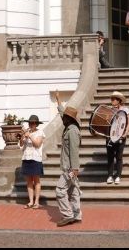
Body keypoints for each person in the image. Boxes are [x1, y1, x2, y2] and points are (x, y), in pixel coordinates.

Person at [54, 90, 82, 227]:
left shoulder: (72, 131)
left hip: (69, 168)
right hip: (70, 167)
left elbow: (74, 151)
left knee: (60, 190)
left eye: (64, 117)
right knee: (73, 191)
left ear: (69, 119)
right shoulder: (69, 126)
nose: (62, 118)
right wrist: (58, 100)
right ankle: (76, 215)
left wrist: (74, 168)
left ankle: (67, 215)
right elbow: (61, 113)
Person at [105, 91, 129, 185]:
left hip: (121, 136)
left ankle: (118, 176)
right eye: (111, 99)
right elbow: (106, 123)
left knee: (119, 157)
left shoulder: (126, 110)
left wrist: (125, 133)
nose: (112, 100)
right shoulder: (110, 110)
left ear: (119, 100)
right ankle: (109, 176)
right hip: (110, 137)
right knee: (110, 157)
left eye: (114, 99)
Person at [19, 114, 45, 208]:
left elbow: (37, 144)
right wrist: (22, 137)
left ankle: (36, 202)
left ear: (36, 124)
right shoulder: (27, 132)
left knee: (36, 181)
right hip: (26, 158)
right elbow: (21, 145)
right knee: (29, 181)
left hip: (36, 158)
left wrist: (29, 136)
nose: (31, 124)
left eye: (33, 123)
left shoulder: (40, 132)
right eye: (30, 123)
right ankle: (30, 201)